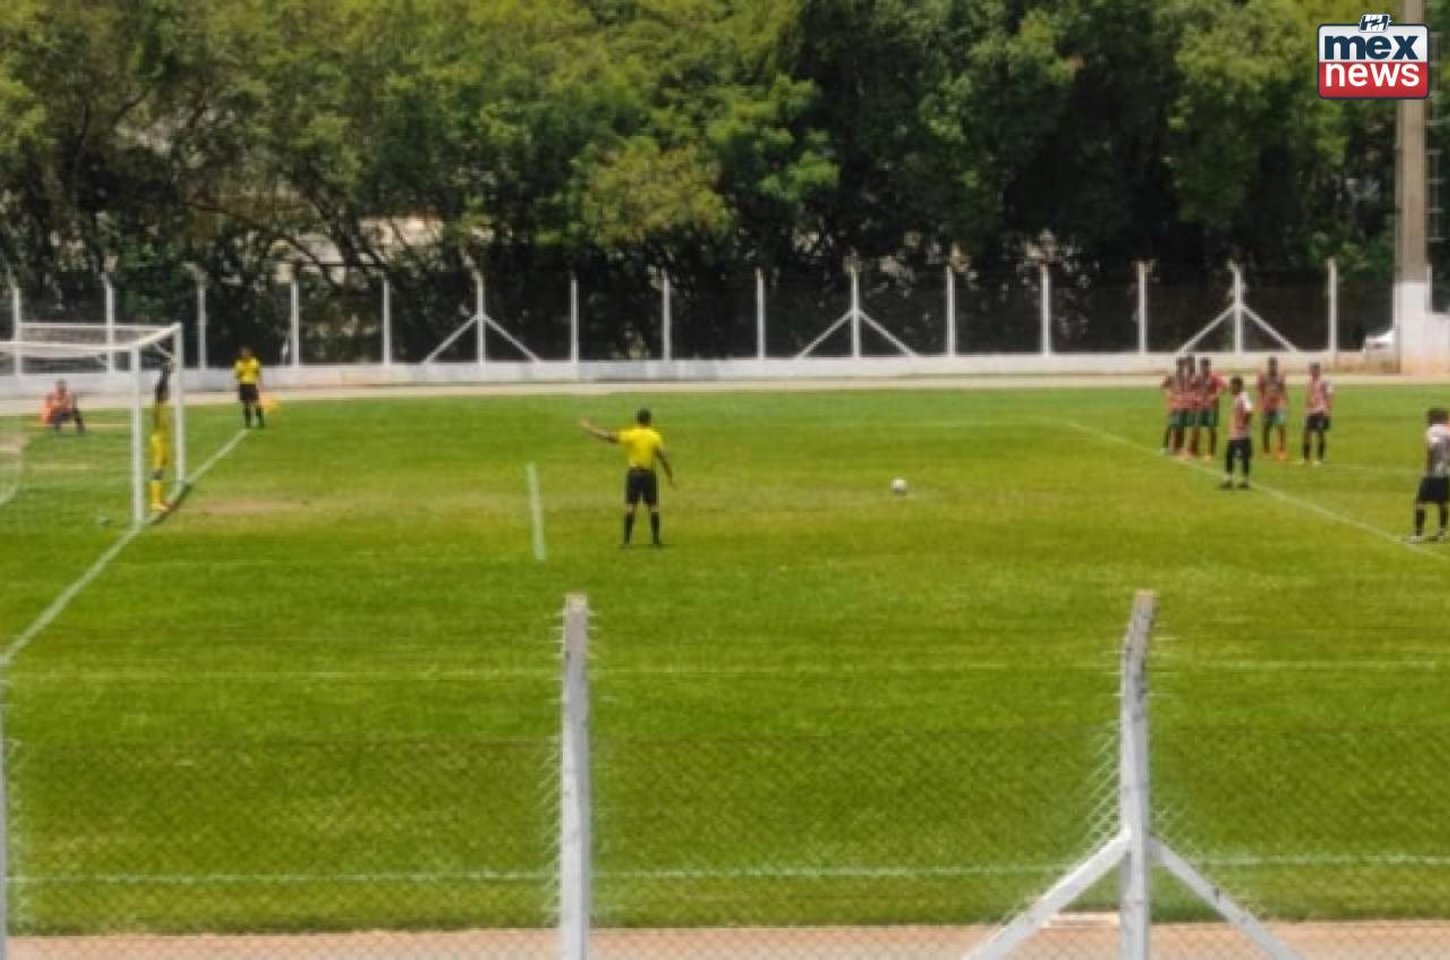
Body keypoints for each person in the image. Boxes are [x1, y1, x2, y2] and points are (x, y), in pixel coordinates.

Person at [580, 408, 675, 547]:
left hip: (634, 474)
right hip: (649, 474)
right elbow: (663, 457)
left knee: (630, 506)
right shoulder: (654, 436)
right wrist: (670, 476)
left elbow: (608, 437)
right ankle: (655, 540)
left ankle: (626, 541)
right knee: (653, 507)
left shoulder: (631, 434)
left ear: (637, 420)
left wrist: (589, 428)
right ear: (649, 421)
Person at [1407, 407, 1450, 543]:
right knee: (1442, 501)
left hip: (1433, 472)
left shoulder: (1432, 431)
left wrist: (1429, 467)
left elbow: (1434, 446)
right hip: (1445, 471)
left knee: (1420, 501)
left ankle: (1418, 534)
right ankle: (1442, 532)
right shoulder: (1447, 430)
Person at [149, 363, 174, 515]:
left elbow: (161, 390)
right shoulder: (157, 405)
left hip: (163, 441)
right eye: (166, 391)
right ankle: (155, 502)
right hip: (158, 441)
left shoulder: (163, 405)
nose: (168, 393)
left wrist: (168, 376)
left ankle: (161, 499)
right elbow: (158, 389)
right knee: (157, 471)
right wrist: (164, 374)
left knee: (162, 470)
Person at [1220, 375, 1253, 490]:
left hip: (1241, 435)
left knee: (1243, 457)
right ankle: (1228, 479)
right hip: (1234, 434)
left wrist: (1243, 424)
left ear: (1239, 386)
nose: (1230, 388)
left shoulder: (1244, 397)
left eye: (1233, 386)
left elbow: (1249, 411)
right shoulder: (1237, 397)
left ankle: (1244, 480)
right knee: (1229, 456)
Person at [1301, 361, 1334, 465]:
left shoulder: (1325, 381)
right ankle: (1305, 458)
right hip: (1311, 411)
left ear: (1318, 370)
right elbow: (1308, 395)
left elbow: (1330, 395)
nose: (1311, 372)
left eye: (1313, 369)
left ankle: (1320, 458)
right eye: (1310, 369)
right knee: (1306, 433)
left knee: (1320, 433)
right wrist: (1306, 408)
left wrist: (1328, 410)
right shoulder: (1310, 381)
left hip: (1321, 410)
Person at [1193, 357, 1226, 460]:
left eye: (1205, 366)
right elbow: (1192, 388)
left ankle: (1211, 452)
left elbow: (1224, 387)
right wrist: (1196, 397)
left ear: (1208, 366)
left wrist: (1215, 396)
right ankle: (1195, 451)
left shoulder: (1214, 376)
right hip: (1200, 407)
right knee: (1196, 428)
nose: (1203, 368)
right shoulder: (1198, 377)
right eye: (1201, 366)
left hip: (1212, 407)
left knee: (1211, 429)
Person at [1256, 356, 1289, 460]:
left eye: (1274, 365)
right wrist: (1260, 404)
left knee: (1281, 427)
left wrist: (1286, 402)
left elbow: (1283, 389)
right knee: (1266, 428)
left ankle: (1282, 451)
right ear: (1268, 365)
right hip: (1266, 406)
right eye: (1271, 365)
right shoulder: (1263, 377)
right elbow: (1260, 390)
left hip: (1278, 405)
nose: (1272, 367)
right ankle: (1266, 452)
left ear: (1276, 365)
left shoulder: (1280, 376)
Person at [234, 346, 265, 429]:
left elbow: (258, 373)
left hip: (252, 384)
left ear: (249, 354)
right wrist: (237, 387)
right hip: (243, 385)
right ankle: (248, 422)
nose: (244, 355)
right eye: (243, 353)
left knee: (256, 403)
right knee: (246, 405)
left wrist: (261, 384)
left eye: (246, 353)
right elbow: (237, 376)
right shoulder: (239, 364)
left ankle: (260, 420)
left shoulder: (255, 362)